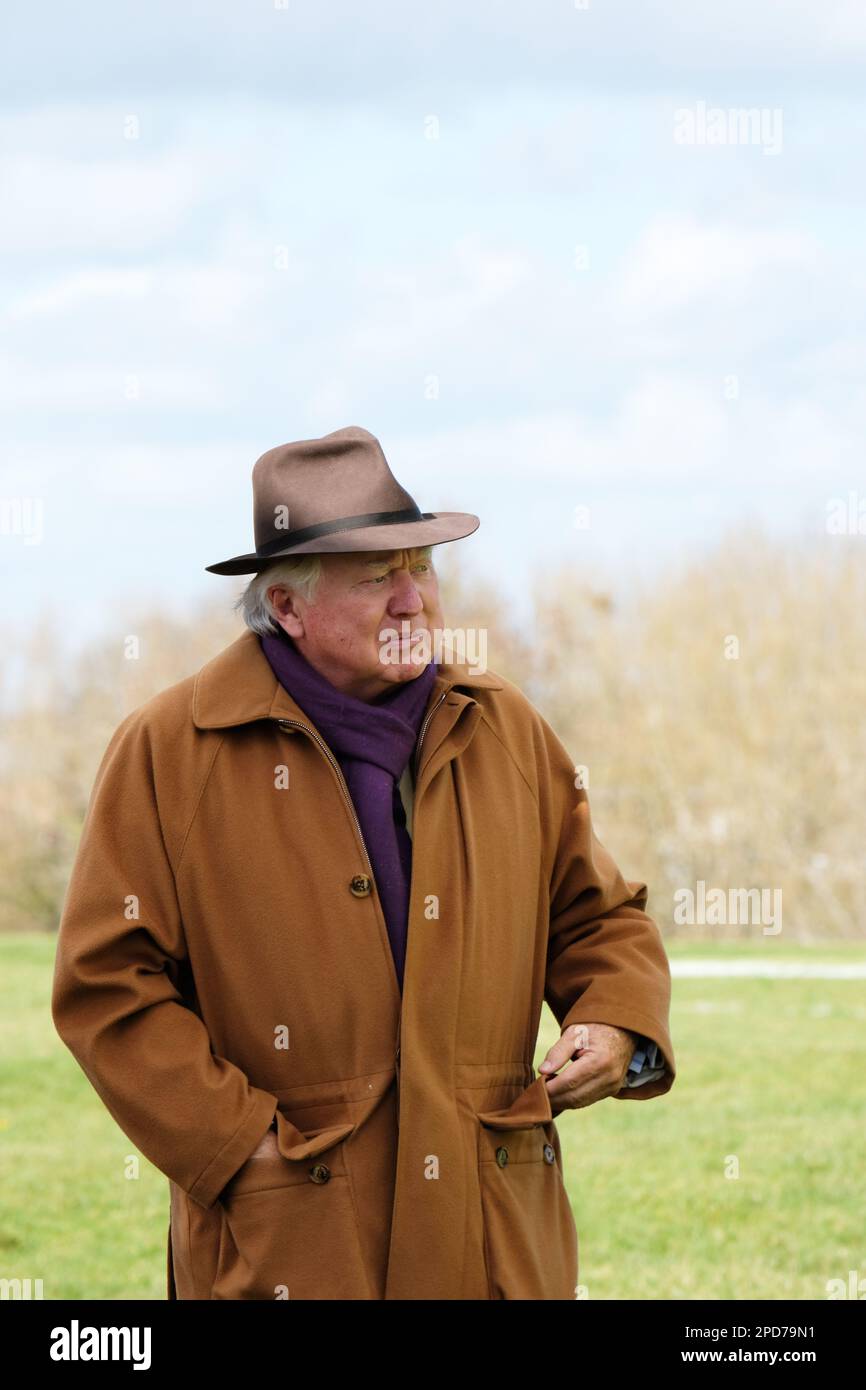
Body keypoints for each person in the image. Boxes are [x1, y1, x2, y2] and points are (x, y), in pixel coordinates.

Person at [52, 424, 675, 1300]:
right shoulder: (169, 750)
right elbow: (107, 983)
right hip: (288, 1249)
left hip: (494, 1242)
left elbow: (598, 917)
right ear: (289, 607)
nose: (413, 601)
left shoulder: (507, 728)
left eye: (422, 570)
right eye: (377, 579)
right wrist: (239, 1150)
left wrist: (618, 1024)